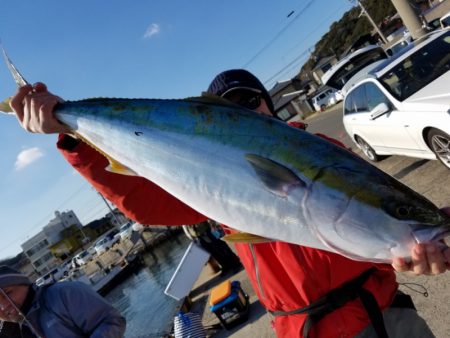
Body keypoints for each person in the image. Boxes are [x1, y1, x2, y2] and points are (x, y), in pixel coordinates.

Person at [10, 70, 450, 338]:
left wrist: (414, 247)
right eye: (233, 107)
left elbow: (373, 213)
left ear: (269, 103)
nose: (248, 111)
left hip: (387, 317)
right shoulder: (213, 182)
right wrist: (69, 134)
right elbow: (143, 203)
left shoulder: (325, 151)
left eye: (251, 100)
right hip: (304, 332)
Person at [0, 265, 125, 338]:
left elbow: (111, 322)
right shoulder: (10, 333)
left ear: (24, 284)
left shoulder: (65, 293)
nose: (4, 307)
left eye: (8, 293)